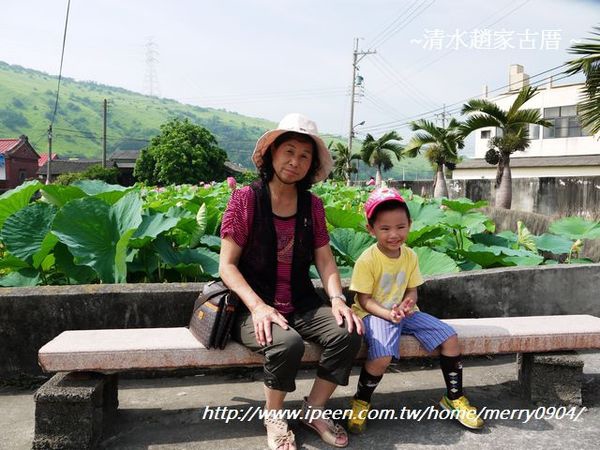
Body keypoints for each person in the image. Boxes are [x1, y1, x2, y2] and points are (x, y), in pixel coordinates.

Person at [219, 113, 364, 450]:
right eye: (289, 151)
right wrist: (257, 307)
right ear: (272, 153)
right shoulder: (245, 200)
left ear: (311, 165)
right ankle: (274, 416)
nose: (295, 161)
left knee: (350, 331)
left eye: (304, 155)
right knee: (287, 344)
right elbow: (226, 266)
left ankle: (313, 410)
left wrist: (338, 299)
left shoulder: (312, 206)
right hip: (250, 305)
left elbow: (325, 259)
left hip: (301, 302)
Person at [347, 187, 484, 433]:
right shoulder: (367, 260)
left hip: (404, 313)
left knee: (450, 338)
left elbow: (412, 290)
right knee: (382, 356)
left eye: (400, 227)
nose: (394, 234)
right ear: (371, 229)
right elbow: (363, 299)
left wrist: (408, 304)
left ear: (409, 224)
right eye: (385, 228)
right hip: (373, 313)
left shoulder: (410, 256)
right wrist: (388, 314)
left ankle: (454, 398)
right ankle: (361, 400)